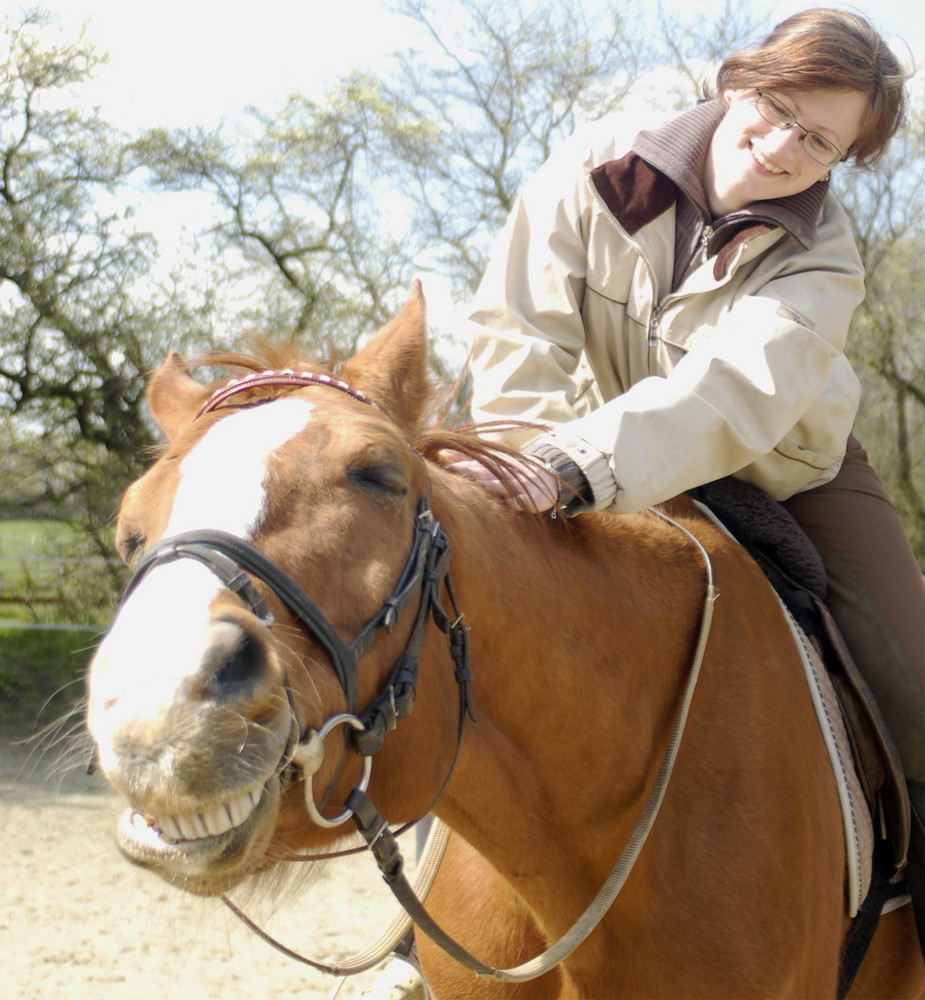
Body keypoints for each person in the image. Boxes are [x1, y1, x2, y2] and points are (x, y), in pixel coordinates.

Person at [441, 6, 925, 949]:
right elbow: (518, 334)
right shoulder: (594, 164)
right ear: (736, 80)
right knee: (446, 622)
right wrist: (524, 462)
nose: (783, 146)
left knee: (914, 674)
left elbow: (734, 392)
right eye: (778, 108)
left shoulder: (822, 256)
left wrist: (576, 466)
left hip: (784, 469)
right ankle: (418, 928)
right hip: (569, 441)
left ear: (841, 163)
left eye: (818, 141)